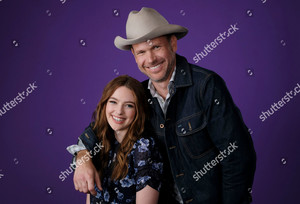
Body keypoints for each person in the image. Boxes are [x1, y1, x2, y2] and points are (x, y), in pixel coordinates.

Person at [69, 7, 256, 204]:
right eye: (141, 52)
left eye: (156, 47)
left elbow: (238, 157)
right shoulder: (138, 97)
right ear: (134, 55)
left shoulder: (206, 86)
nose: (150, 59)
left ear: (172, 43)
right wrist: (83, 159)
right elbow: (96, 132)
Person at [69, 75, 163, 204]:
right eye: (113, 102)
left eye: (129, 105)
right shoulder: (99, 139)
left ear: (138, 110)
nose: (119, 111)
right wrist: (82, 160)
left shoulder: (144, 147)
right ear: (104, 104)